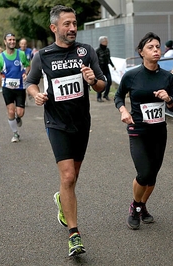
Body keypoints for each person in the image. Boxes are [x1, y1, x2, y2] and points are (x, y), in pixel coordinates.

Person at [25, 5, 106, 257]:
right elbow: (30, 81)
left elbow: (102, 85)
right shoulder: (43, 55)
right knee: (68, 176)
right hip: (56, 122)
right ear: (54, 28)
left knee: (73, 176)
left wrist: (93, 80)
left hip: (81, 123)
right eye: (67, 24)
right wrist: (36, 94)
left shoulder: (87, 51)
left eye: (74, 23)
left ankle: (62, 200)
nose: (72, 28)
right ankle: (74, 235)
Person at [114, 32, 173, 230]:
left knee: (152, 176)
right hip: (138, 130)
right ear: (141, 52)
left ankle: (141, 206)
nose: (156, 50)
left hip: (159, 132)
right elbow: (118, 96)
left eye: (158, 47)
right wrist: (123, 110)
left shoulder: (167, 77)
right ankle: (135, 206)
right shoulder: (132, 75)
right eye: (151, 47)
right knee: (144, 173)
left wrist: (168, 99)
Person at [0, 33, 30, 143]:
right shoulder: (0, 57)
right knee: (11, 111)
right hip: (7, 87)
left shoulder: (21, 54)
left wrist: (26, 73)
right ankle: (15, 134)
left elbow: (28, 65)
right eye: (10, 40)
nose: (12, 41)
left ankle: (18, 118)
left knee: (20, 112)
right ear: (5, 42)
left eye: (13, 39)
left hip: (20, 87)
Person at [95, 36, 116, 102]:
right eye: (106, 41)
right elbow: (95, 60)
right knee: (100, 82)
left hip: (106, 67)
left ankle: (106, 94)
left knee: (109, 81)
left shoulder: (107, 50)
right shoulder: (97, 50)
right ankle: (99, 97)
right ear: (102, 42)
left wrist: (113, 65)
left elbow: (109, 58)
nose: (107, 42)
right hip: (100, 68)